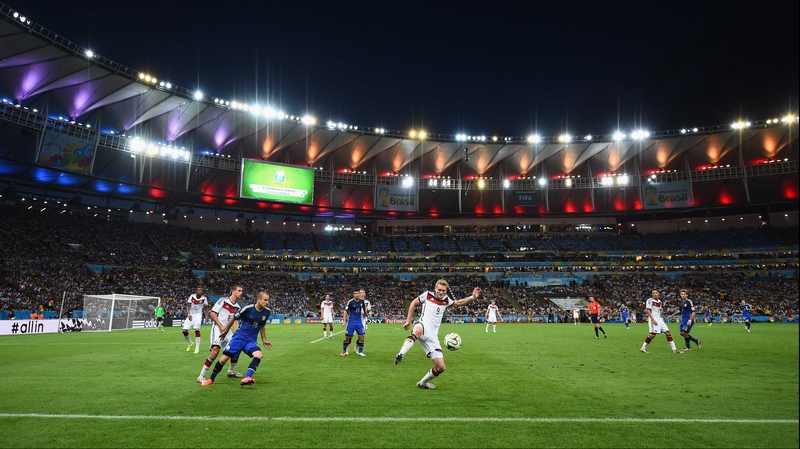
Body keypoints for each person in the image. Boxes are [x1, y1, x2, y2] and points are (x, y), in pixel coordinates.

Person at [394, 279, 482, 389]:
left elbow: (458, 303)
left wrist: (473, 297)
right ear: (435, 289)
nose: (441, 292)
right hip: (423, 324)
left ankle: (422, 383)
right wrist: (408, 320)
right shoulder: (427, 295)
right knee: (417, 331)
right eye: (439, 290)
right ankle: (401, 353)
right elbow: (413, 303)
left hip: (432, 336)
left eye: (443, 291)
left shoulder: (446, 300)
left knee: (441, 367)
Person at [202, 291, 273, 387]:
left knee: (259, 355)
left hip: (251, 341)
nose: (267, 302)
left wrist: (264, 339)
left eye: (268, 300)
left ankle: (247, 377)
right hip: (239, 338)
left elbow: (262, 325)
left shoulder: (267, 312)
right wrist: (226, 331)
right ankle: (211, 379)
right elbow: (233, 318)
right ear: (259, 299)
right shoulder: (247, 309)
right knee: (223, 360)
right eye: (265, 300)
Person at [197, 285, 243, 383]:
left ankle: (231, 371)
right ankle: (201, 376)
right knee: (215, 351)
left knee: (237, 349)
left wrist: (236, 329)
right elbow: (213, 313)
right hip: (218, 328)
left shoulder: (238, 307)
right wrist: (221, 326)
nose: (241, 292)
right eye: (239, 290)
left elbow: (235, 320)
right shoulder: (223, 301)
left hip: (228, 331)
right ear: (233, 291)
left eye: (241, 291)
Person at [640, 289, 682, 354]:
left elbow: (660, 311)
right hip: (653, 318)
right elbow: (648, 310)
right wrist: (653, 319)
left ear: (658, 293)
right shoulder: (650, 300)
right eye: (653, 293)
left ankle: (674, 349)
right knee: (652, 335)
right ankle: (643, 348)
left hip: (659, 319)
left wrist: (661, 319)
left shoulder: (659, 301)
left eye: (656, 293)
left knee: (668, 333)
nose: (655, 294)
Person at [181, 287, 208, 354]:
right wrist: (188, 314)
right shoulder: (192, 296)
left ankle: (197, 348)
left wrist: (207, 316)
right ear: (196, 291)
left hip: (198, 315)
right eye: (199, 290)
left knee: (197, 329)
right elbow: (187, 305)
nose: (200, 291)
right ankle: (190, 343)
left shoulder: (204, 298)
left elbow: (207, 308)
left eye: (201, 290)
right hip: (191, 315)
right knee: (184, 330)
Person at [341, 288, 367, 357]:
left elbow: (364, 307)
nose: (357, 295)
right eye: (355, 293)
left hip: (359, 322)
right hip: (351, 322)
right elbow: (345, 311)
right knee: (347, 337)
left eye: (358, 293)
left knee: (362, 336)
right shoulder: (350, 302)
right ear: (353, 294)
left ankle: (360, 352)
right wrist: (344, 321)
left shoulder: (362, 301)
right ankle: (344, 351)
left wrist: (365, 313)